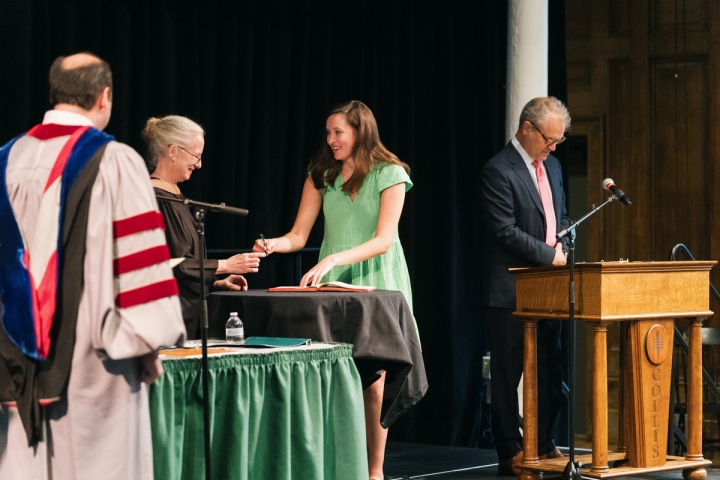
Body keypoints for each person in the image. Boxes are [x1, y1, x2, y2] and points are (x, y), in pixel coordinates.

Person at [0, 52, 186, 479]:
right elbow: (142, 277)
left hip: (16, 366)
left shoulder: (6, 160)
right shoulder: (115, 161)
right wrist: (146, 345)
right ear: (105, 97)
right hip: (94, 366)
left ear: (55, 94)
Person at [254, 100, 414, 480]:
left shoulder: (390, 173)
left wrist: (333, 260)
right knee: (332, 374)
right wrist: (275, 244)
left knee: (375, 380)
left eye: (338, 132)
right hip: (332, 286)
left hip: (377, 280)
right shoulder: (321, 174)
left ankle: (374, 472)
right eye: (328, 132)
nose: (331, 139)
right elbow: (298, 234)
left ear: (361, 132)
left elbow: (383, 240)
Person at [479, 96, 571, 475]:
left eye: (558, 142)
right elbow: (504, 231)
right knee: (507, 375)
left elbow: (560, 214)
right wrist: (549, 255)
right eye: (548, 140)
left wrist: (563, 243)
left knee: (551, 373)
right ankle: (509, 450)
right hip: (510, 289)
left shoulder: (554, 166)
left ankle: (544, 442)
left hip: (548, 288)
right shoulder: (498, 170)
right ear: (526, 129)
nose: (552, 148)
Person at [141, 115, 265, 339]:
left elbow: (185, 266)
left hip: (190, 317)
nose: (199, 164)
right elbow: (172, 265)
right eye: (196, 156)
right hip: (167, 321)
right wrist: (225, 264)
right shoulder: (155, 200)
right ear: (173, 152)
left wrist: (216, 282)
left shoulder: (177, 198)